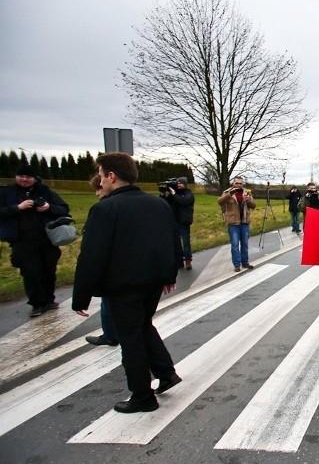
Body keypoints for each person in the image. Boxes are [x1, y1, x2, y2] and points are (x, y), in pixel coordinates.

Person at [71, 152, 182, 413]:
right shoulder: (157, 204)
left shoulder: (105, 209)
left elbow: (92, 256)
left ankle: (143, 396)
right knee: (143, 325)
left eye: (100, 176)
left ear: (112, 176)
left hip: (123, 285)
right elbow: (171, 241)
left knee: (130, 338)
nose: (101, 181)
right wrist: (169, 275)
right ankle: (166, 373)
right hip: (153, 281)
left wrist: (81, 296)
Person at [0, 164, 71, 317]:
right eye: (21, 176)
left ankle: (49, 299)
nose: (24, 179)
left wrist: (48, 207)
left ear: (35, 178)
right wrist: (18, 208)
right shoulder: (7, 193)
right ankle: (37, 303)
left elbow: (64, 209)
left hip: (47, 239)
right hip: (22, 240)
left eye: (28, 177)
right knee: (31, 273)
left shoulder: (45, 191)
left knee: (49, 271)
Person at [84, 175, 118, 347]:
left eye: (98, 188)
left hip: (112, 269)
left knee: (108, 303)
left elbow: (93, 249)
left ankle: (111, 334)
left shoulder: (103, 209)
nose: (97, 193)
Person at [218, 176, 256, 273]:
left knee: (245, 244)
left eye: (240, 183)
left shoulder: (247, 192)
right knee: (235, 244)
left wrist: (248, 200)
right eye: (237, 183)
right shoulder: (227, 192)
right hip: (233, 222)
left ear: (242, 184)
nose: (239, 185)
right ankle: (236, 264)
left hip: (244, 221)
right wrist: (229, 195)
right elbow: (220, 202)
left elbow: (254, 206)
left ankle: (245, 262)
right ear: (233, 183)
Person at [161, 177, 195, 270]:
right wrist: (163, 194)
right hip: (174, 221)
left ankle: (188, 260)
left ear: (185, 184)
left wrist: (174, 194)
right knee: (176, 243)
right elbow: (166, 203)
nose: (179, 185)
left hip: (184, 221)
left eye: (181, 183)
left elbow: (183, 202)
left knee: (185, 242)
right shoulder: (173, 194)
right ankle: (179, 261)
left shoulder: (188, 193)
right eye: (178, 183)